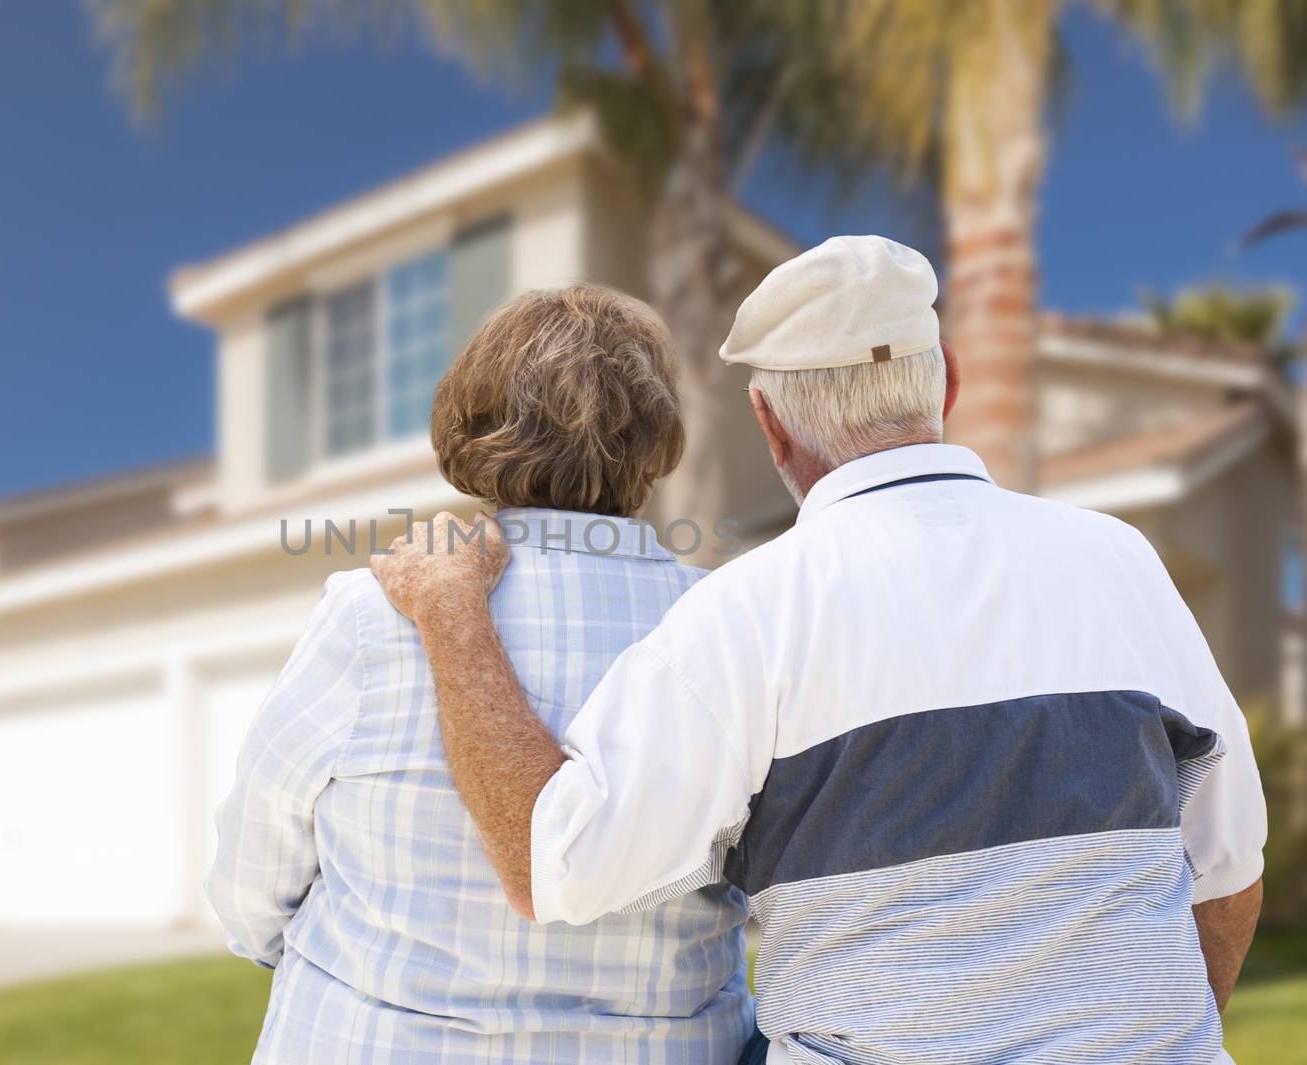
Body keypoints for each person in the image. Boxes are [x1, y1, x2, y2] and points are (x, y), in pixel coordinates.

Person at [372, 236, 1268, 1065]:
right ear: (945, 380)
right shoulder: (1118, 560)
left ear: (770, 424)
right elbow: (1227, 875)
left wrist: (455, 618)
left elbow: (551, 864)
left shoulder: (748, 613)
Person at [206, 283, 755, 1063]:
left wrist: (275, 945)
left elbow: (257, 860)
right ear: (658, 438)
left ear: (476, 422)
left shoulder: (372, 612)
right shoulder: (728, 623)